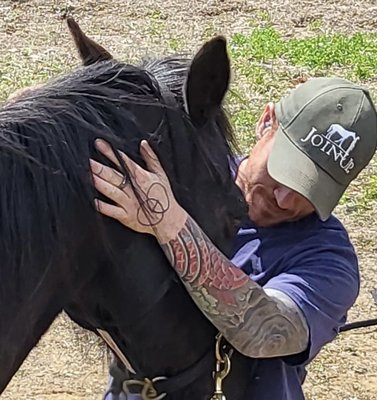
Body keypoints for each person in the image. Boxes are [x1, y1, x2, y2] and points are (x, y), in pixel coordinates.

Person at [90, 77, 377, 399]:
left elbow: (267, 333)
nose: (285, 199)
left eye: (310, 189)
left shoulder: (328, 259)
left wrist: (169, 224)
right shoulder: (171, 179)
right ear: (266, 122)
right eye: (285, 170)